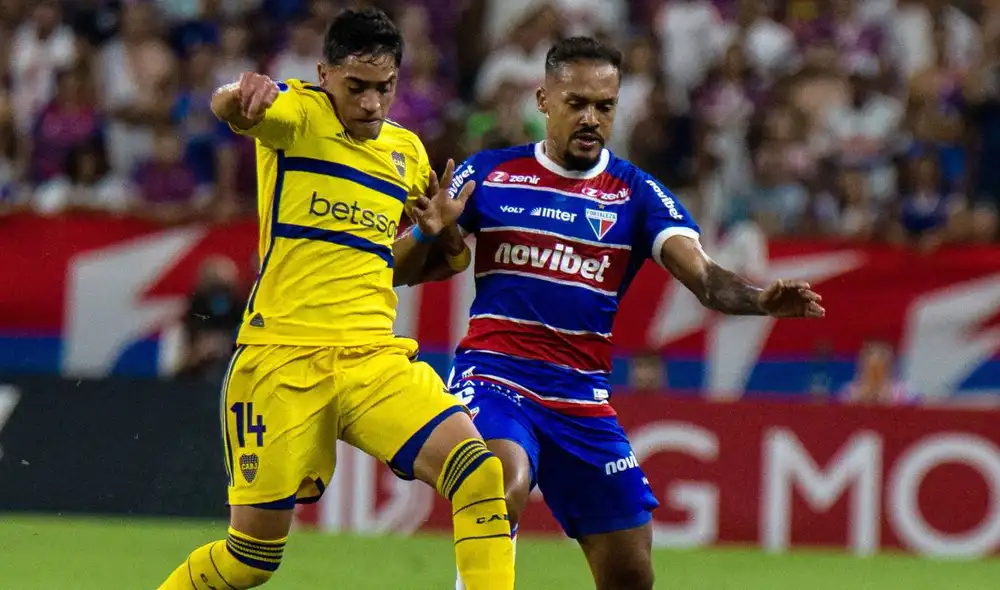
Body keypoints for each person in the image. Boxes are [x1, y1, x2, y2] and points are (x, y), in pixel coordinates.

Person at [422, 37, 825, 590]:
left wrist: (758, 299)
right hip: (496, 377)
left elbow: (705, 278)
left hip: (581, 399)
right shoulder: (490, 173)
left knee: (631, 572)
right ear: (544, 100)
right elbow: (418, 262)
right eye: (577, 103)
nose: (591, 118)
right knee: (497, 481)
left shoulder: (637, 194)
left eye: (604, 106)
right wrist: (433, 233)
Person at [157, 9, 514, 590]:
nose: (372, 103)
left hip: (372, 358)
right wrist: (239, 93)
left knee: (478, 473)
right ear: (325, 75)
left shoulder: (407, 153)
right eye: (357, 87)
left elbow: (430, 264)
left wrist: (438, 232)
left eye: (385, 88)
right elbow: (233, 108)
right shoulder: (298, 115)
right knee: (250, 559)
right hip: (282, 360)